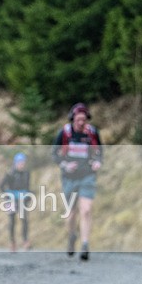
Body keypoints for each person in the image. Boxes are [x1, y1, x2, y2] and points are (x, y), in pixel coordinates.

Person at [52, 102, 103, 261]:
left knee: (86, 210)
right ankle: (72, 236)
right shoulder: (64, 133)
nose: (81, 122)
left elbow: (100, 152)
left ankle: (85, 244)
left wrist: (98, 162)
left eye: (84, 119)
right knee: (70, 215)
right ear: (72, 119)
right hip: (69, 178)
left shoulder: (92, 133)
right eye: (78, 119)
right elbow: (54, 154)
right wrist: (65, 165)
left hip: (87, 176)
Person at [0, 152, 31, 252]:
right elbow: (1, 186)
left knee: (24, 220)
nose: (22, 164)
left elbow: (27, 187)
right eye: (20, 162)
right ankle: (12, 242)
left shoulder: (26, 174)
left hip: (22, 199)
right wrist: (7, 195)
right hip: (10, 199)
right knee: (12, 221)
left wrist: (28, 195)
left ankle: (25, 241)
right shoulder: (9, 174)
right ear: (15, 163)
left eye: (24, 162)